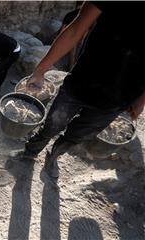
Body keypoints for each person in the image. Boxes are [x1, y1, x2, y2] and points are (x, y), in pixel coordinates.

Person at [20, 2, 145, 178]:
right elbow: (75, 30)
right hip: (82, 82)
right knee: (53, 123)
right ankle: (32, 150)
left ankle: (55, 154)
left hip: (119, 97)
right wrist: (41, 70)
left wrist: (141, 101)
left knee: (78, 134)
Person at [58, 1, 85, 70]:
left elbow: (62, 29)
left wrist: (59, 41)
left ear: (76, 5)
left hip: (70, 38)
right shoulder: (85, 15)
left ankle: (70, 68)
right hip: (81, 37)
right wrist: (82, 40)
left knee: (72, 55)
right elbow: (87, 29)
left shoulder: (69, 14)